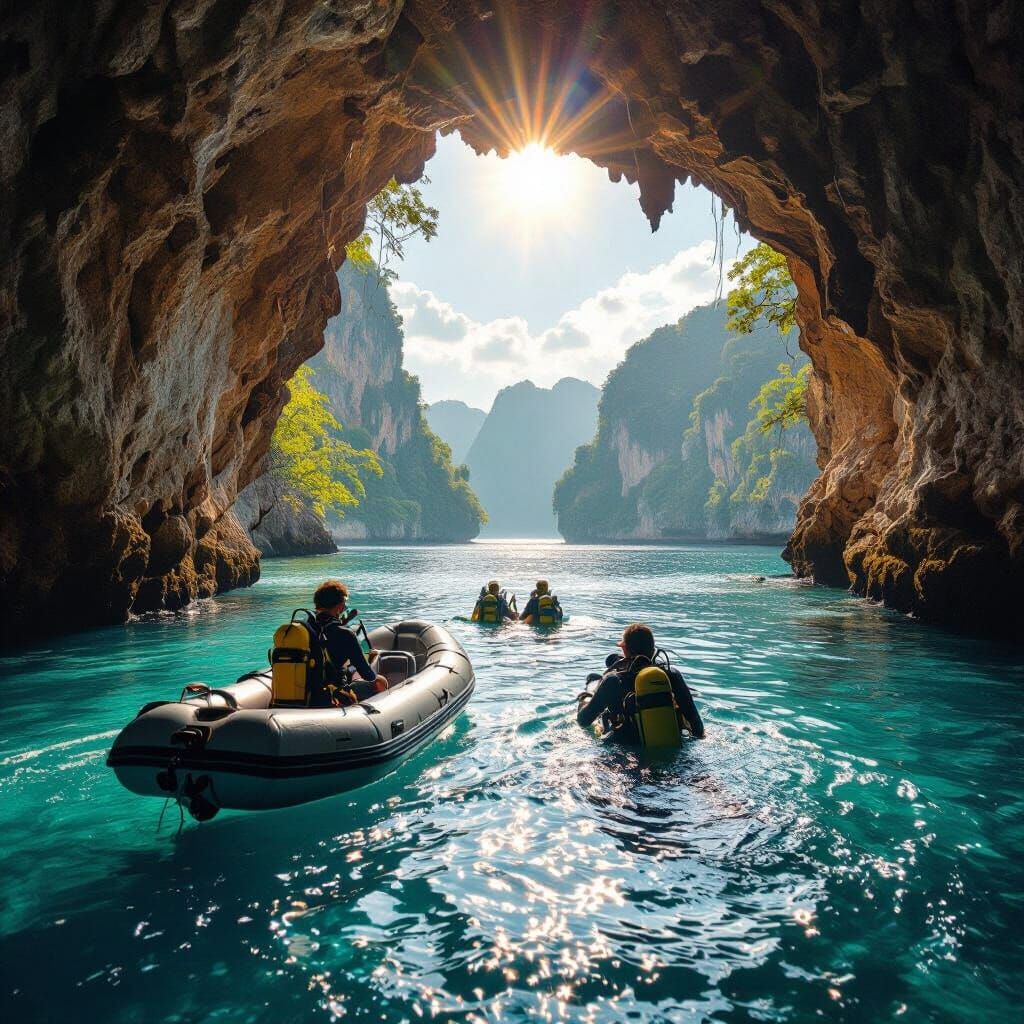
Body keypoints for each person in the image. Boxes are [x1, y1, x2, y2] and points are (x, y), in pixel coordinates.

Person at [576, 623, 704, 743]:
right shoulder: (671, 675)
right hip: (674, 747)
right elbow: (697, 728)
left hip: (624, 753)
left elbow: (583, 721)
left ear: (625, 650)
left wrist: (584, 700)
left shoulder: (614, 681)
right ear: (653, 650)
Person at [308, 579, 388, 707]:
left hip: (305, 693)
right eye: (344, 604)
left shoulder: (306, 627)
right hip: (332, 696)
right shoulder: (344, 634)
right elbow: (367, 675)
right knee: (380, 681)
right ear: (339, 606)